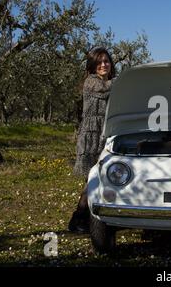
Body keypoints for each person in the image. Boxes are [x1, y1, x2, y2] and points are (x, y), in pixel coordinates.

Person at [68, 47, 116, 233]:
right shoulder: (91, 82)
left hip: (104, 135)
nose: (104, 64)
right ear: (93, 66)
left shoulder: (110, 82)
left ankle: (89, 219)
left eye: (106, 61)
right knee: (92, 180)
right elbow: (105, 90)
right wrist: (128, 80)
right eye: (100, 62)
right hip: (91, 137)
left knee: (100, 179)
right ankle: (78, 219)